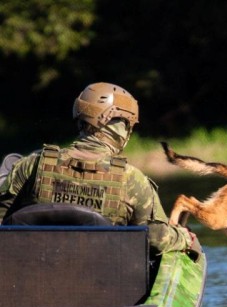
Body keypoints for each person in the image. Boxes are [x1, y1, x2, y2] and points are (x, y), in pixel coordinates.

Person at [0, 82, 196, 254]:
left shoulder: (33, 164)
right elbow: (156, 238)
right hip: (103, 284)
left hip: (28, 276)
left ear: (81, 119)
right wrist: (183, 237)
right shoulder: (132, 180)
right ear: (121, 127)